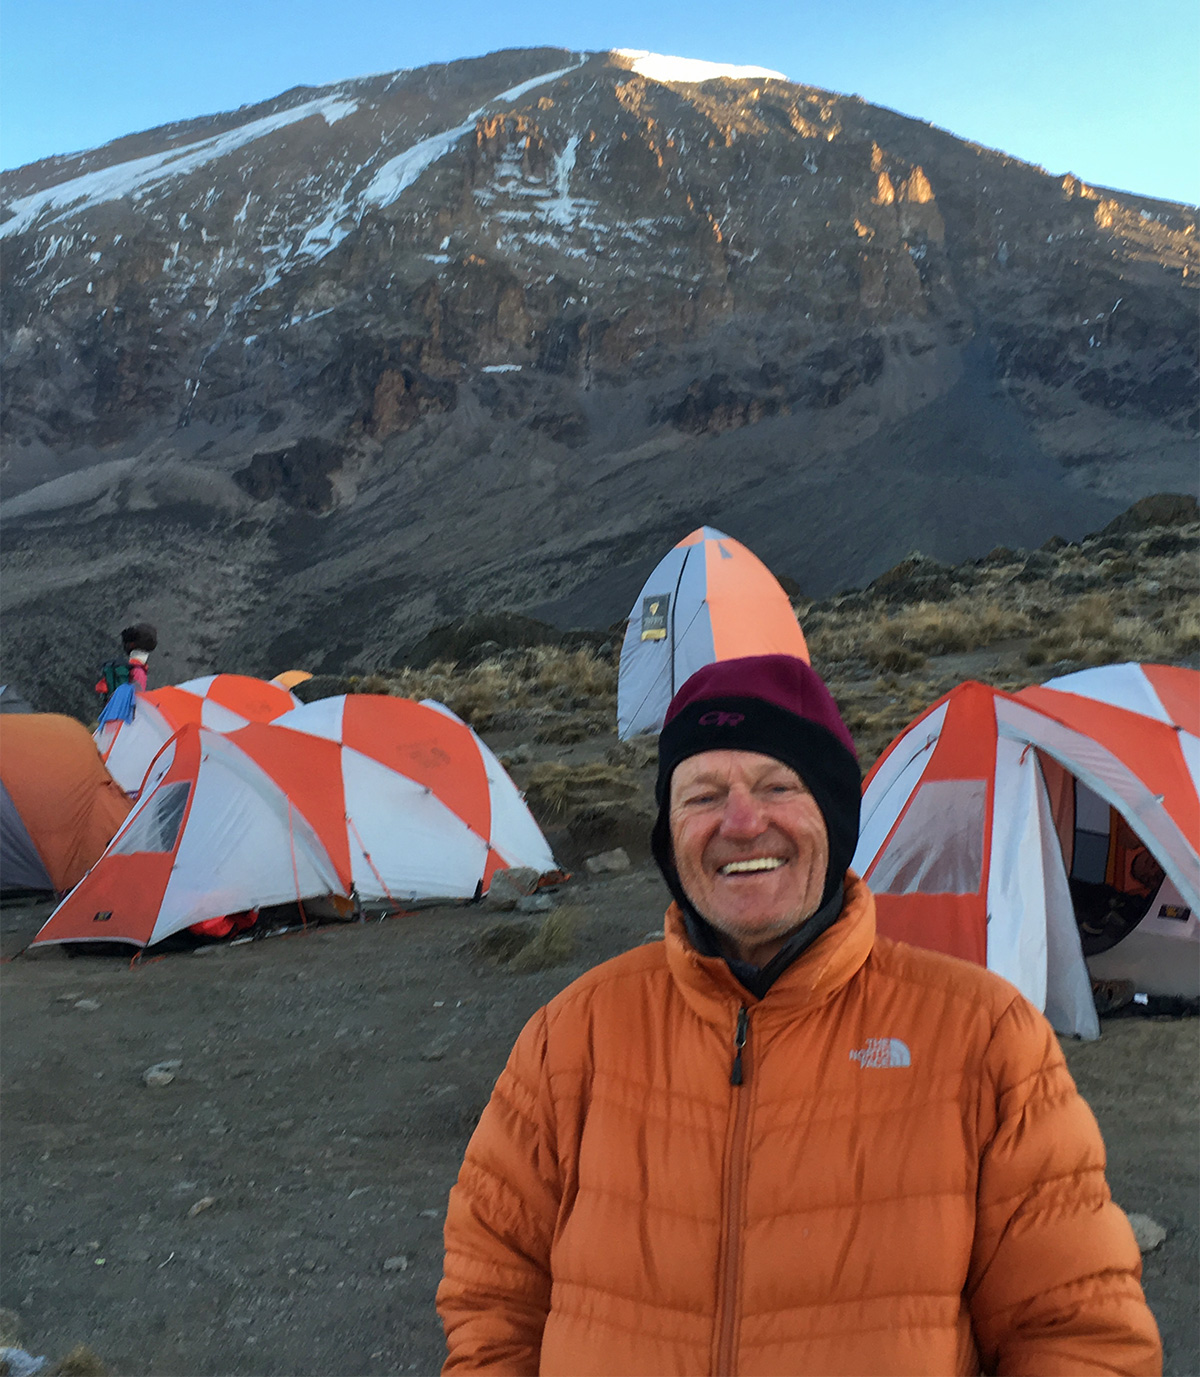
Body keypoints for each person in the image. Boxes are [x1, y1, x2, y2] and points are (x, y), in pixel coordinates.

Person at [437, 654, 1161, 1376]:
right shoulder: (572, 1038)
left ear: (836, 815)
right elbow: (491, 1301)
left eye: (778, 785)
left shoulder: (985, 1040)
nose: (743, 822)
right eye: (702, 795)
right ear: (668, 834)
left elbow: (1080, 1334)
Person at [95, 622, 157, 726]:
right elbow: (137, 700)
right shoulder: (139, 672)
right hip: (123, 720)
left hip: (110, 713)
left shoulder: (124, 667)